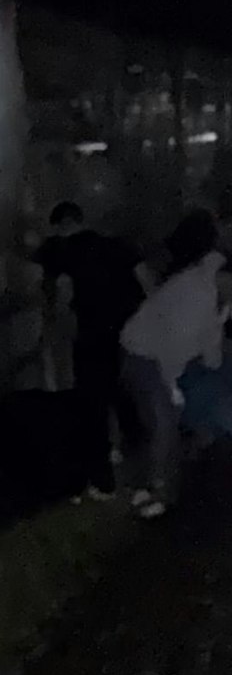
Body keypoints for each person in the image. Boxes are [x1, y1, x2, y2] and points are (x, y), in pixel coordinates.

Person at [120, 212, 232, 519]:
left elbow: (212, 339)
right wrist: (173, 389)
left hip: (180, 348)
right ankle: (157, 489)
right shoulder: (196, 294)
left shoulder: (219, 295)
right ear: (230, 280)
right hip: (143, 353)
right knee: (164, 417)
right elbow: (171, 350)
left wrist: (215, 369)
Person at [34, 202, 146, 497]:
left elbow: (60, 293)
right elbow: (145, 277)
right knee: (127, 397)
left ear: (60, 226)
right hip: (129, 334)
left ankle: (103, 479)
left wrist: (58, 330)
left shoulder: (62, 253)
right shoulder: (114, 246)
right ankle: (143, 466)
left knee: (93, 407)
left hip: (92, 336)